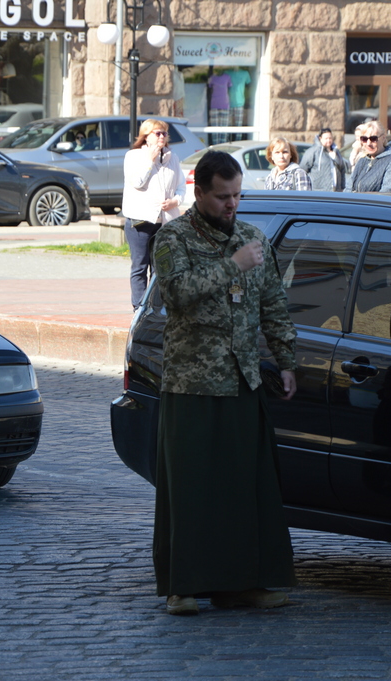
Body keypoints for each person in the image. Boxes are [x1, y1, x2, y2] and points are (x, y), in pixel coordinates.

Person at [150, 150, 298, 616]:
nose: (231, 204)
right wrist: (232, 265)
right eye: (221, 196)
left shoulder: (254, 238)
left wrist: (286, 360)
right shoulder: (173, 237)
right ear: (199, 192)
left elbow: (273, 303)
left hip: (242, 379)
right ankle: (182, 587)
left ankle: (243, 583)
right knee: (192, 489)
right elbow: (176, 293)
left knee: (242, 489)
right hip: (192, 383)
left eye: (237, 195)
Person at [121, 118, 186, 310]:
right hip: (140, 221)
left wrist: (175, 201)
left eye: (164, 133)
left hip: (165, 222)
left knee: (160, 268)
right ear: (146, 136)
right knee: (140, 266)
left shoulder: (172, 158)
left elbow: (181, 187)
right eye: (157, 133)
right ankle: (139, 308)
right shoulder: (133, 156)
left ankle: (156, 308)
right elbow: (137, 182)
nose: (162, 137)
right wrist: (150, 161)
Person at [347, 120, 391, 193]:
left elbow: (387, 193)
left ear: (383, 138)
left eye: (373, 139)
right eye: (364, 139)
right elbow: (348, 188)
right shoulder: (362, 160)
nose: (368, 143)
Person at [300, 127, 348, 192]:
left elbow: (342, 169)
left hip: (336, 191)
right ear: (320, 139)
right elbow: (303, 170)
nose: (328, 140)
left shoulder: (336, 152)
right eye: (326, 138)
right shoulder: (313, 152)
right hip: (318, 191)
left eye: (330, 138)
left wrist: (342, 187)